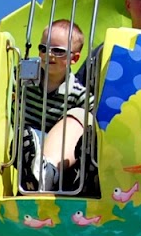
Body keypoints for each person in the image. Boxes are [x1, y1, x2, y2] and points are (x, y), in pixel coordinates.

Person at [17, 19, 93, 194]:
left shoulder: (77, 93)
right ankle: (31, 167)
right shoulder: (24, 76)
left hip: (50, 147)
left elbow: (94, 115)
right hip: (21, 140)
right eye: (43, 49)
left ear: (74, 58)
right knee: (25, 137)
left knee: (84, 116)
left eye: (58, 51)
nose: (48, 54)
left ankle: (43, 174)